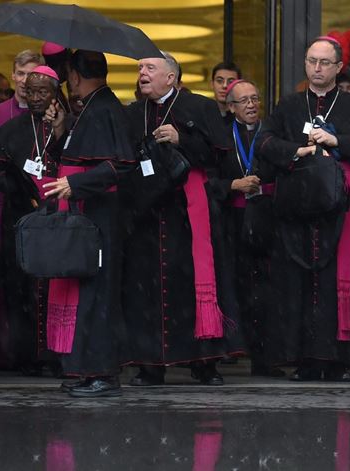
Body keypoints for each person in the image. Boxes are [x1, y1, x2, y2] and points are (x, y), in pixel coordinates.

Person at [256, 36, 350, 381]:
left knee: (335, 281)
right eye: (312, 61)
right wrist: (299, 151)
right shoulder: (290, 104)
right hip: (298, 204)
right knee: (300, 281)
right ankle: (304, 357)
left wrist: (336, 140)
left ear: (338, 67)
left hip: (339, 206)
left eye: (325, 63)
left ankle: (338, 359)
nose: (317, 68)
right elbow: (265, 141)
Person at [121, 53, 237, 386]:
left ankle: (203, 363)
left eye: (150, 68)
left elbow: (222, 156)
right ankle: (149, 364)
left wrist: (181, 139)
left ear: (170, 78)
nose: (142, 73)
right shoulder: (132, 113)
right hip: (146, 213)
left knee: (192, 284)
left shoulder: (199, 107)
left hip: (187, 211)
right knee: (147, 290)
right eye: (140, 68)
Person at [42, 50, 136, 397]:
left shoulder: (106, 109)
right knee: (85, 295)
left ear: (76, 76)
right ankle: (84, 368)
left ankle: (102, 372)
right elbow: (75, 155)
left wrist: (74, 184)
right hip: (84, 215)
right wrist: (59, 129)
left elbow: (122, 164)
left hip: (101, 216)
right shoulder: (90, 109)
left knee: (99, 295)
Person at [0, 66, 64, 376]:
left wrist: (59, 131)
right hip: (19, 217)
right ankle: (27, 355)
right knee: (20, 288)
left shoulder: (65, 126)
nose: (37, 98)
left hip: (57, 218)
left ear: (55, 94)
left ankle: (55, 355)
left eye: (43, 92)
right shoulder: (12, 129)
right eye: (31, 92)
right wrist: (17, 188)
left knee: (56, 286)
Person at [0, 50, 43, 368]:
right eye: (22, 73)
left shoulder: (52, 112)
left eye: (34, 73)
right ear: (13, 75)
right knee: (2, 282)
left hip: (38, 206)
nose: (27, 80)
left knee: (36, 279)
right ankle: (2, 350)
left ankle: (36, 349)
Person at [217, 79, 285, 377]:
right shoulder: (221, 136)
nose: (251, 105)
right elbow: (210, 180)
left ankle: (266, 357)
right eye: (243, 101)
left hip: (268, 218)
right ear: (231, 107)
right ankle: (236, 348)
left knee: (268, 292)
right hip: (234, 221)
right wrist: (234, 184)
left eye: (255, 99)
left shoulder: (271, 133)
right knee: (238, 287)